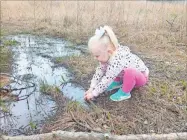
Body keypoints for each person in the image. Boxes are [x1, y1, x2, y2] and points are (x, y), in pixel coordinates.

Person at [84, 26, 149, 102]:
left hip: (140, 78)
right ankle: (117, 82)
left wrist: (93, 94)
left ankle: (125, 93)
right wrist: (91, 88)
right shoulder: (108, 55)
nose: (95, 58)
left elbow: (107, 80)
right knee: (113, 69)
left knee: (129, 72)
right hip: (123, 75)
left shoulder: (117, 60)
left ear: (109, 52)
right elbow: (99, 72)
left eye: (97, 56)